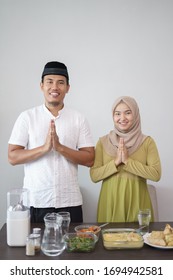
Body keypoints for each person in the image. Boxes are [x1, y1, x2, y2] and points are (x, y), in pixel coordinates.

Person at [8, 61, 95, 223]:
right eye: (49, 81)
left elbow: (90, 159)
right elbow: (12, 157)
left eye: (60, 82)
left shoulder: (78, 118)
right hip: (36, 202)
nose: (55, 87)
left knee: (74, 247)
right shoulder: (27, 117)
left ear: (68, 88)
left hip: (70, 202)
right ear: (41, 86)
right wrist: (44, 148)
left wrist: (60, 148)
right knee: (36, 248)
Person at [90, 96, 161, 223]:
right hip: (109, 203)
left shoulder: (147, 142)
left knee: (140, 240)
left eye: (128, 113)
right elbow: (94, 176)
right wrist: (116, 162)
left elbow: (156, 175)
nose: (122, 118)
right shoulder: (103, 142)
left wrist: (128, 161)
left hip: (138, 203)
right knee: (107, 240)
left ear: (136, 114)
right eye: (117, 114)